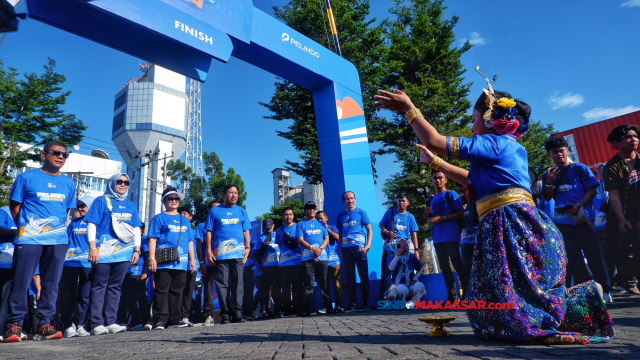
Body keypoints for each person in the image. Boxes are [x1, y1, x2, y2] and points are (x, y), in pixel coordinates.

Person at [375, 84, 613, 343]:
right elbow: (471, 180)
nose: (471, 125)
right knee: (515, 293)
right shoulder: (504, 148)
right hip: (514, 221)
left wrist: (410, 109)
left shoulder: (494, 143)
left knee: (515, 294)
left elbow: (434, 140)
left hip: (511, 223)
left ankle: (587, 296)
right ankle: (586, 297)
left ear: (489, 120)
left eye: (474, 119)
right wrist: (435, 163)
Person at [4, 141, 76, 343]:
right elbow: (15, 207)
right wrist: (28, 229)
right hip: (29, 238)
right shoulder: (25, 178)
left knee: (51, 284)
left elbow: (67, 213)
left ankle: (45, 324)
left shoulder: (69, 183)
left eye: (64, 154)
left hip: (58, 239)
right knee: (22, 281)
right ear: (44, 154)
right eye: (56, 153)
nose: (61, 156)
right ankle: (15, 325)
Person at [542, 138, 611, 299]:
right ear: (549, 155)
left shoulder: (580, 168)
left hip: (582, 220)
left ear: (567, 151)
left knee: (594, 255)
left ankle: (605, 289)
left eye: (561, 150)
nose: (559, 154)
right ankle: (585, 291)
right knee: (573, 258)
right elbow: (547, 198)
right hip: (562, 222)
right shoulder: (548, 174)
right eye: (554, 152)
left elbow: (592, 190)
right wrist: (549, 183)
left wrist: (579, 205)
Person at [84, 173, 142, 336]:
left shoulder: (131, 205)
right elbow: (92, 224)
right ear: (112, 183)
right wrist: (92, 247)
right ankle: (96, 323)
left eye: (126, 182)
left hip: (124, 253)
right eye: (119, 182)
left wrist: (136, 249)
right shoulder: (101, 201)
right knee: (99, 285)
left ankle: (110, 321)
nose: (123, 185)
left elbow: (136, 228)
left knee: (116, 287)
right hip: (103, 251)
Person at [147, 187, 196, 330]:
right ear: (164, 201)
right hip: (163, 261)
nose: (174, 201)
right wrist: (151, 258)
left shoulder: (185, 220)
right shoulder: (158, 218)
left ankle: (175, 320)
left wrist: (192, 260)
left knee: (177, 290)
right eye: (170, 198)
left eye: (176, 199)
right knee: (162, 290)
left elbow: (190, 241)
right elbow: (152, 239)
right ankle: (160, 320)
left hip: (181, 262)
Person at [205, 184, 251, 324]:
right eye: (230, 193)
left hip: (238, 254)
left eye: (236, 193)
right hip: (221, 255)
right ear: (224, 195)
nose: (234, 195)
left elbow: (246, 230)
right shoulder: (215, 211)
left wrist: (248, 247)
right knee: (222, 284)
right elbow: (209, 231)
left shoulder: (241, 211)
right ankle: (225, 314)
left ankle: (237, 312)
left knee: (238, 283)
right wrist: (208, 250)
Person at [603, 125, 640, 295]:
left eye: (635, 136)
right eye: (628, 137)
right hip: (627, 215)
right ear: (617, 142)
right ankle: (630, 283)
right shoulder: (612, 166)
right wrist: (621, 219)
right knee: (627, 251)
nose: (633, 139)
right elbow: (614, 195)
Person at [426, 170, 467, 301]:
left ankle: (467, 295)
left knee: (457, 263)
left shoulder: (451, 194)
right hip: (437, 236)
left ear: (445, 180)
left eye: (440, 178)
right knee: (444, 266)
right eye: (435, 178)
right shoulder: (431, 199)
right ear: (432, 181)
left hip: (451, 234)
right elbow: (431, 220)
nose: (437, 180)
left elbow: (459, 213)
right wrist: (428, 215)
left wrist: (442, 217)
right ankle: (452, 296)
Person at [59, 196, 95, 338]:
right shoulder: (73, 223)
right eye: (78, 206)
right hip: (70, 263)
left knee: (84, 296)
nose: (80, 208)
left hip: (87, 264)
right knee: (67, 295)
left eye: (83, 206)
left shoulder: (95, 224)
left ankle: (80, 324)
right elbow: (66, 241)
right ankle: (68, 325)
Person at [378, 193, 419, 301]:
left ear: (408, 203)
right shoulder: (390, 213)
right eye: (399, 200)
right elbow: (381, 224)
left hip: (403, 248)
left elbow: (414, 233)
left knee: (403, 272)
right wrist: (386, 231)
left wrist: (416, 249)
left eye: (403, 200)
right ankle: (384, 298)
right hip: (389, 247)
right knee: (386, 272)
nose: (400, 203)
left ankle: (403, 298)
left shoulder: (410, 217)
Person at [336, 192, 372, 312]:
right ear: (343, 201)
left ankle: (365, 302)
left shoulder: (361, 212)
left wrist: (368, 244)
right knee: (350, 277)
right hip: (346, 249)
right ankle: (352, 303)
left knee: (363, 276)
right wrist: (341, 248)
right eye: (347, 199)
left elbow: (369, 229)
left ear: (355, 199)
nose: (349, 201)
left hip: (360, 249)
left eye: (351, 198)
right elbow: (340, 233)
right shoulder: (340, 215)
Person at [296, 201, 331, 316]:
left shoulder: (321, 224)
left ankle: (329, 307)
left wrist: (319, 249)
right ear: (305, 210)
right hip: (307, 259)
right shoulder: (300, 224)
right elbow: (300, 240)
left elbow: (326, 239)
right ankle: (306, 309)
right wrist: (312, 248)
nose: (312, 210)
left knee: (324, 283)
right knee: (308, 284)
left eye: (314, 208)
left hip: (322, 257)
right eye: (309, 208)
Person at [117, 223, 151, 331]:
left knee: (140, 298)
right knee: (127, 298)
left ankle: (146, 320)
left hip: (138, 272)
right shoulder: (126, 240)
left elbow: (147, 256)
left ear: (140, 231)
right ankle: (134, 320)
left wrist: (145, 273)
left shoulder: (143, 239)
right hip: (126, 272)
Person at [274, 207, 303, 317]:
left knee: (297, 287)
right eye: (286, 215)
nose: (288, 217)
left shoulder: (298, 227)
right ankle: (287, 310)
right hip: (284, 264)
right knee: (285, 288)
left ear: (293, 216)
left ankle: (298, 309)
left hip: (297, 262)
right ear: (282, 217)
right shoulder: (279, 230)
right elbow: (280, 245)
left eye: (290, 214)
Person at [195, 201, 219, 326]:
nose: (216, 211)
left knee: (225, 288)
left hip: (223, 262)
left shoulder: (222, 225)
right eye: (213, 209)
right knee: (208, 290)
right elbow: (199, 246)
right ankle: (209, 316)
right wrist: (201, 262)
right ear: (208, 211)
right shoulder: (201, 226)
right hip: (208, 263)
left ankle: (228, 313)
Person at [252, 218, 280, 318]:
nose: (268, 231)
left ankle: (278, 309)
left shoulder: (278, 234)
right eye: (266, 229)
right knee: (266, 288)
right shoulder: (261, 238)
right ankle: (266, 309)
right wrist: (264, 245)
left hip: (279, 265)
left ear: (273, 226)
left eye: (270, 228)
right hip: (267, 267)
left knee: (277, 287)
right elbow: (255, 254)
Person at [316, 210, 344, 313]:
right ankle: (328, 306)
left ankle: (339, 306)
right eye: (317, 218)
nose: (319, 220)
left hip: (335, 260)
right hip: (322, 261)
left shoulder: (332, 227)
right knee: (324, 284)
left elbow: (338, 237)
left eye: (321, 218)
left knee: (337, 284)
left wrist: (326, 228)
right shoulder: (316, 230)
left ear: (326, 218)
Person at [387, 239, 425, 305]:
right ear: (398, 247)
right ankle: (402, 305)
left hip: (411, 284)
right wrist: (398, 255)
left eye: (406, 245)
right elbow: (391, 269)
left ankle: (415, 304)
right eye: (403, 246)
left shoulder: (411, 256)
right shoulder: (392, 258)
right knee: (401, 290)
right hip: (399, 284)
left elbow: (420, 269)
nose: (405, 248)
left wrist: (415, 277)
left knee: (419, 286)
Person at [177, 206, 197, 327]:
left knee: (188, 292)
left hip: (191, 266)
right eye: (181, 213)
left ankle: (184, 316)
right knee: (177, 291)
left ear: (190, 217)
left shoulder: (194, 232)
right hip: (178, 266)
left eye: (185, 213)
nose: (183, 215)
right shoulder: (175, 230)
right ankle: (175, 316)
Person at [0, 206, 17, 338]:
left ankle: (12, 329)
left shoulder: (28, 214)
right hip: (3, 263)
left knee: (14, 299)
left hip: (18, 264)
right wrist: (17, 233)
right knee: (3, 299)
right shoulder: (4, 212)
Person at [457, 183, 477, 290]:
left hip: (479, 239)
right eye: (458, 186)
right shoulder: (459, 201)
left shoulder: (477, 197)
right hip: (464, 242)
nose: (460, 187)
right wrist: (459, 211)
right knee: (467, 270)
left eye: (461, 184)